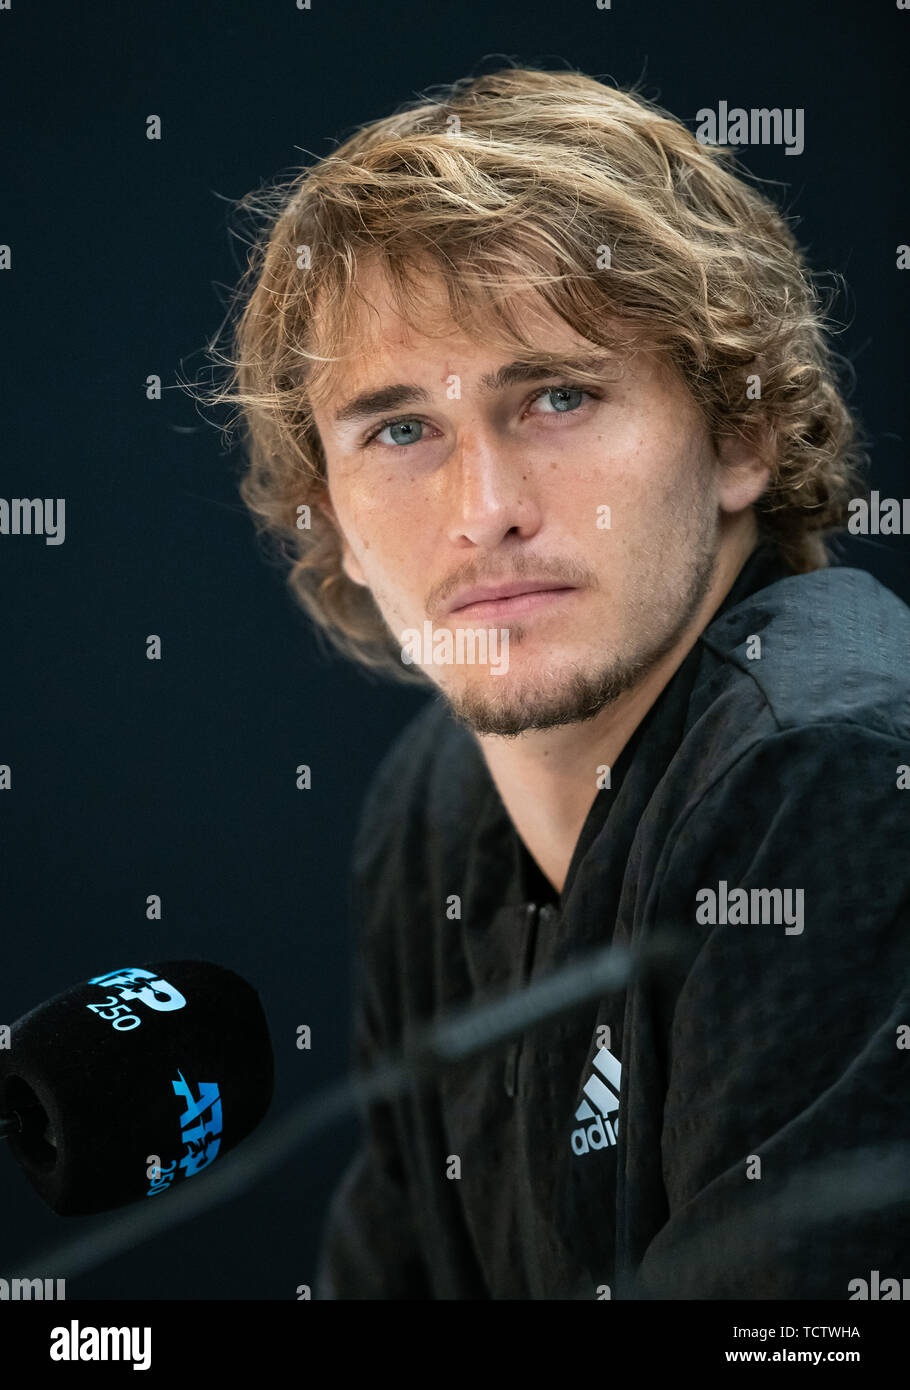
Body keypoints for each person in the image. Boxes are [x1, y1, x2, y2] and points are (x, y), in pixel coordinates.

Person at [204, 65, 910, 1298]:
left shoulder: (835, 772)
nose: (485, 513)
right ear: (335, 520)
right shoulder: (434, 810)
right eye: (400, 429)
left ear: (740, 431)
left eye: (559, 396)